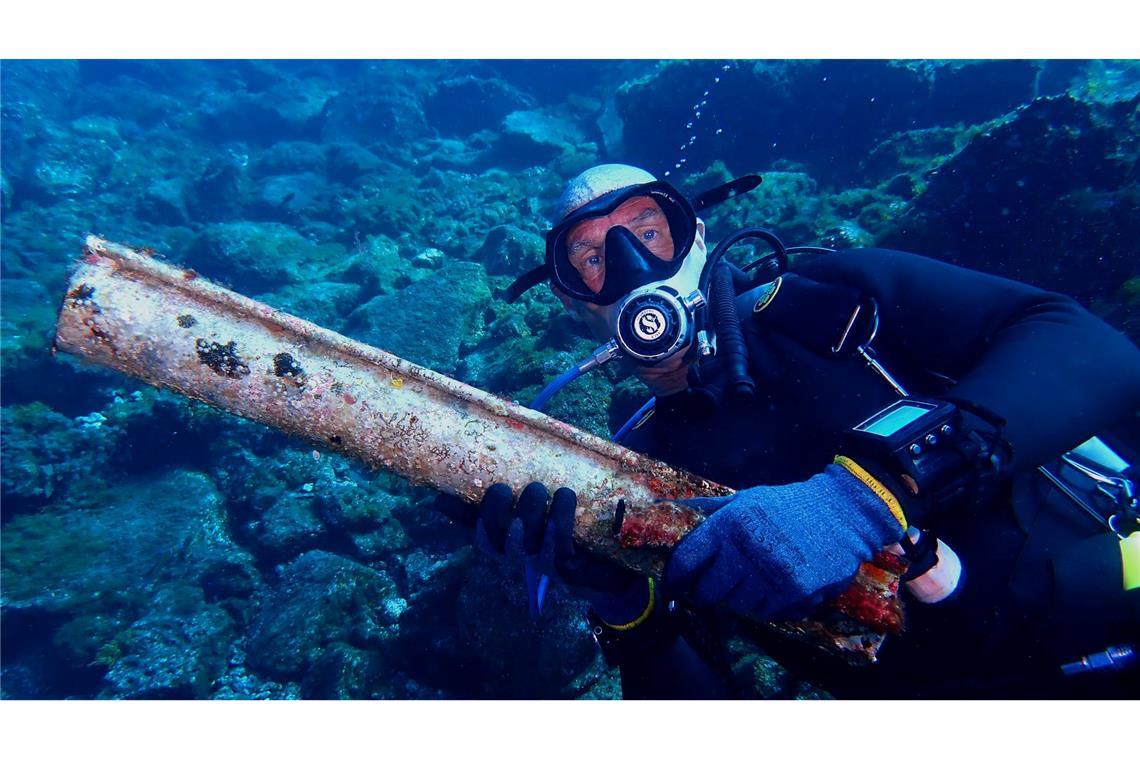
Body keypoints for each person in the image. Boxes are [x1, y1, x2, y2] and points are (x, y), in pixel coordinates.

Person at [437, 163, 1140, 698]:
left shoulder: (839, 302)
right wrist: (626, 611)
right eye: (591, 258)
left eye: (649, 232)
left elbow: (1088, 346)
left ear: (697, 235)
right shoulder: (639, 465)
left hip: (1102, 613)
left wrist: (867, 495)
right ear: (572, 300)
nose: (631, 267)